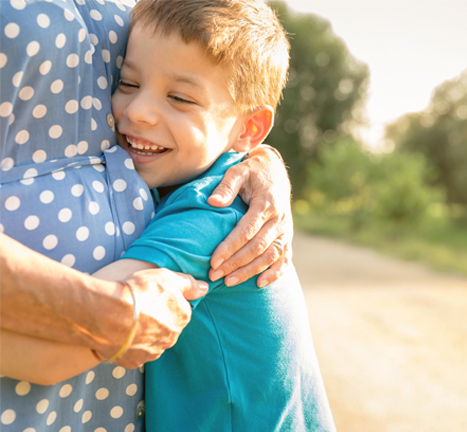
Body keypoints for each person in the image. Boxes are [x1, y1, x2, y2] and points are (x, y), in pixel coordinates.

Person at [3, 0, 336, 430]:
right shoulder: (183, 185)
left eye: (179, 97)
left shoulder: (212, 213)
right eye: (127, 83)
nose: (139, 110)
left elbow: (56, 353)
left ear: (248, 130)